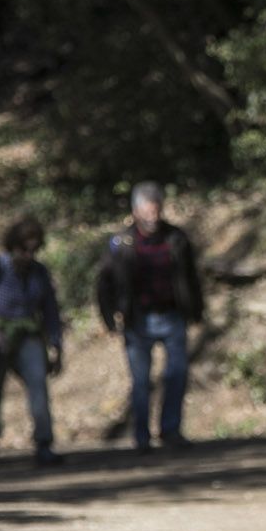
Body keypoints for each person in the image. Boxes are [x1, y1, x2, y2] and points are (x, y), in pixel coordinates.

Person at [95, 181, 204, 453]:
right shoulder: (121, 243)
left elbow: (191, 277)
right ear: (135, 211)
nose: (152, 218)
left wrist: (197, 309)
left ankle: (171, 430)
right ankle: (141, 437)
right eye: (147, 212)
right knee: (141, 381)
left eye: (156, 211)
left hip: (172, 316)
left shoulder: (176, 238)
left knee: (176, 375)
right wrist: (109, 318)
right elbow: (104, 283)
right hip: (137, 321)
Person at [0, 215, 65, 466]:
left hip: (29, 335)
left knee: (38, 387)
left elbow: (51, 311)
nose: (29, 255)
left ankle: (44, 443)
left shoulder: (39, 273)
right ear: (13, 246)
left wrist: (56, 344)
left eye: (34, 249)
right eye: (24, 249)